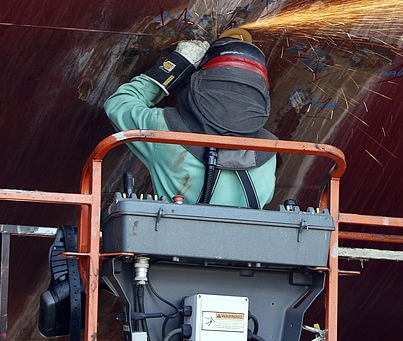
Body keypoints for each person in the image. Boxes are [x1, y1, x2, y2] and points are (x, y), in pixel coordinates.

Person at [104, 28, 277, 208]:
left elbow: (118, 104)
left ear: (200, 82)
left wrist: (178, 64)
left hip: (173, 235)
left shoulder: (166, 130)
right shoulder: (270, 150)